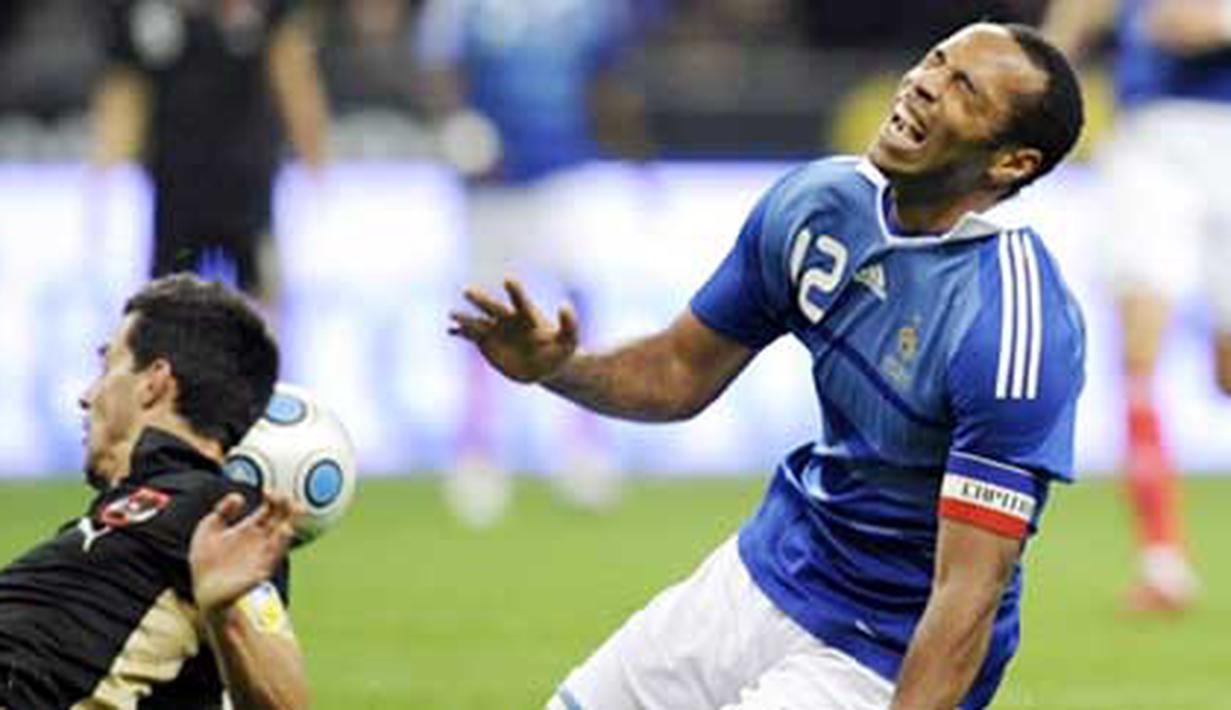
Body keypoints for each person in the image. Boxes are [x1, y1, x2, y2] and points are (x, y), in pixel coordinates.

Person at [452, 22, 1085, 709]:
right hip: (770, 568)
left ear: (1011, 163)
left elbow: (968, 594)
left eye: (964, 88)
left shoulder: (1012, 326)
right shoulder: (818, 204)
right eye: (934, 60)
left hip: (883, 645)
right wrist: (557, 367)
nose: (925, 83)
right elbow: (676, 373)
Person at [0, 274, 307, 708]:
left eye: (107, 366)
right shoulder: (105, 525)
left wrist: (227, 614)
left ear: (154, 381)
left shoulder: (222, 514)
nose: (87, 396)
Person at [416, 0, 652, 525]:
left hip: (566, 169)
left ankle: (584, 448)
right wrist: (458, 122)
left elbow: (606, 75)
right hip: (492, 183)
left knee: (577, 311)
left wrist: (637, 151)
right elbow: (437, 67)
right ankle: (478, 454)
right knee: (483, 316)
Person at [1042, 0, 1227, 612]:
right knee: (1140, 354)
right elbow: (1090, 24)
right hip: (1152, 141)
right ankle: (1163, 561)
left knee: (1226, 371)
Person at [90, 0, 330, 309]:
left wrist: (315, 157)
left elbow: (293, 75)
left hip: (248, 186)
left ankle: (266, 357)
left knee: (259, 301)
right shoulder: (142, 13)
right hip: (175, 189)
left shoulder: (261, 9)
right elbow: (124, 93)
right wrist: (102, 175)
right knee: (168, 308)